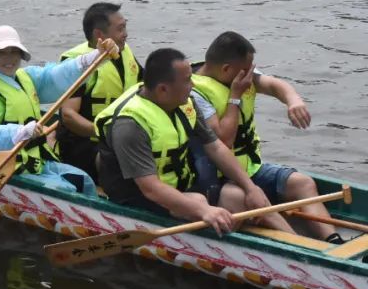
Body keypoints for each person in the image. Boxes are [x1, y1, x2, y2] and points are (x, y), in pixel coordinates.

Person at [95, 48, 276, 235]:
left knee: (241, 197)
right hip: (138, 197)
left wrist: (250, 187)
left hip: (179, 186)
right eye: (187, 80)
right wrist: (205, 211)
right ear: (163, 89)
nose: (193, 85)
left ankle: (296, 246)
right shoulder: (130, 126)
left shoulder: (184, 102)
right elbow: (151, 188)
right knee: (198, 201)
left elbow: (215, 147)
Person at [190, 32, 342, 242]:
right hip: (220, 177)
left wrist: (293, 100)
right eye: (247, 69)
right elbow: (224, 141)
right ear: (226, 69)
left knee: (302, 183)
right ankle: (302, 247)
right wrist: (235, 97)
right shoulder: (195, 93)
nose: (251, 74)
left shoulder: (241, 74)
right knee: (258, 202)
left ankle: (333, 240)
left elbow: (274, 85)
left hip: (250, 167)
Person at [0, 25, 116, 195]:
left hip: (34, 161)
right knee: (66, 190)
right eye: (1, 52)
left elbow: (55, 76)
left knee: (83, 179)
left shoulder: (26, 77)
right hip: (6, 167)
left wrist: (93, 57)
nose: (9, 58)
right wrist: (19, 132)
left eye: (14, 51)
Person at [57, 2, 142, 180]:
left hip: (120, 134)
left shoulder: (124, 52)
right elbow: (68, 116)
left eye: (125, 27)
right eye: (120, 29)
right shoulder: (76, 63)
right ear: (99, 34)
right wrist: (106, 134)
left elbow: (146, 85)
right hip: (84, 144)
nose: (125, 34)